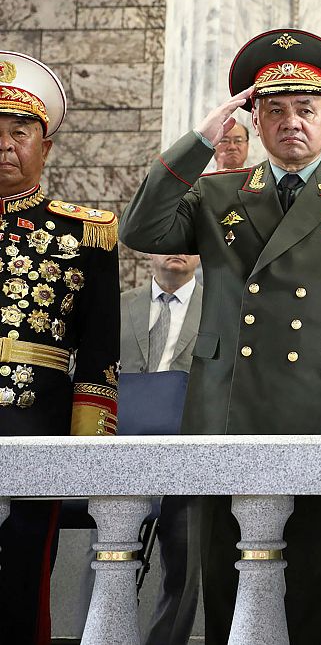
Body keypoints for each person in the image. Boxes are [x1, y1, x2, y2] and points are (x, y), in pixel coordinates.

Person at [120, 29, 321, 645]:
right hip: (230, 407)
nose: (291, 123)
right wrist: (202, 138)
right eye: (273, 110)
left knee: (317, 577)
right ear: (253, 121)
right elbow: (143, 228)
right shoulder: (218, 192)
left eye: (306, 110)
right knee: (227, 579)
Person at [0, 50, 120, 644]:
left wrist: (85, 443)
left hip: (36, 418)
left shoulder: (86, 231)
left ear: (45, 147)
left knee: (25, 563)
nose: (5, 144)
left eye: (19, 132)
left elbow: (99, 351)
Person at [119, 253, 203, 645]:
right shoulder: (119, 305)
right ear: (147, 252)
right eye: (166, 243)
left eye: (188, 244)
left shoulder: (221, 309)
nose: (177, 250)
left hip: (190, 449)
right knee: (108, 552)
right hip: (122, 450)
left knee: (184, 562)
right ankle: (103, 635)